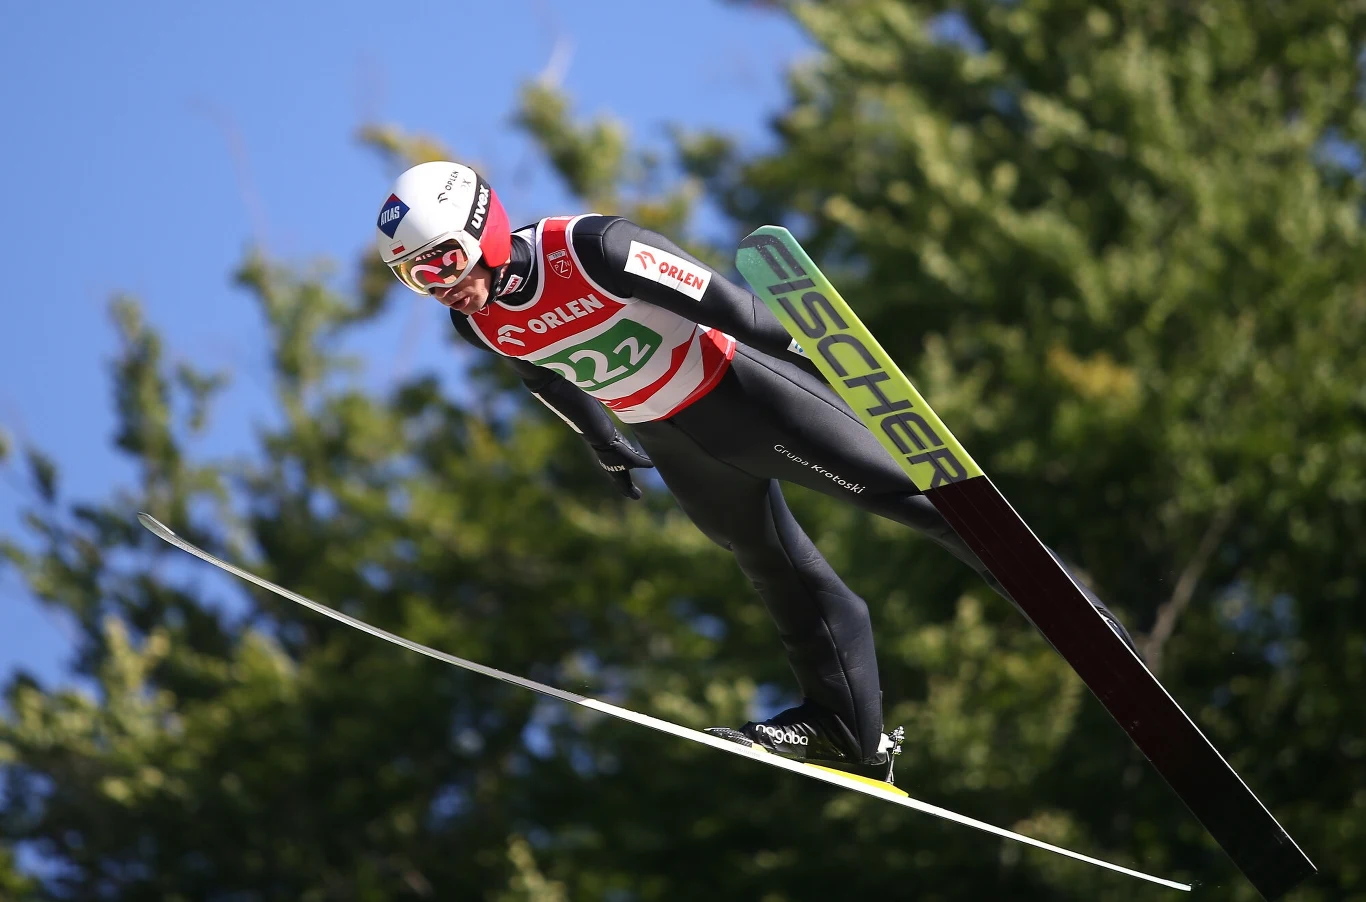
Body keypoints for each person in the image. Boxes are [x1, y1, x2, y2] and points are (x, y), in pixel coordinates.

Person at [375, 161, 1136, 783]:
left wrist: (826, 359)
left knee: (927, 504)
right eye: (416, 277)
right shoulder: (475, 320)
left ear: (485, 227)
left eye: (442, 259)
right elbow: (541, 374)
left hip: (747, 397)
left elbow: (730, 305)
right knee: (773, 567)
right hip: (678, 446)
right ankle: (845, 728)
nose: (440, 284)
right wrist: (600, 440)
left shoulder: (594, 248)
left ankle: (1079, 615)